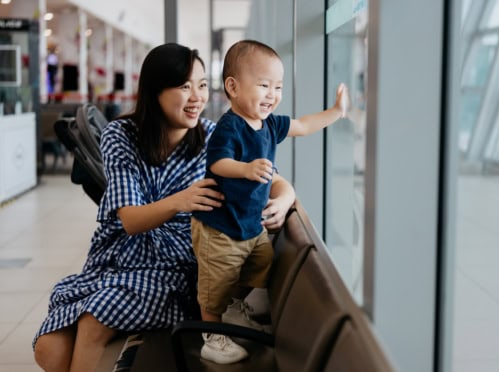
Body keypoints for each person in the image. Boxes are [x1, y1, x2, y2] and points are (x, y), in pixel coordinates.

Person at [32, 42, 295, 372]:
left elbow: (275, 181)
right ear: (155, 90)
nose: (197, 97)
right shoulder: (121, 135)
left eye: (201, 84)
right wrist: (181, 200)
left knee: (93, 320)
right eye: (185, 86)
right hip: (122, 253)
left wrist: (285, 199)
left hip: (178, 262)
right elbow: (129, 220)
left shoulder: (216, 137)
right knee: (48, 349)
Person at [191, 39, 350, 364]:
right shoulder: (229, 126)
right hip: (219, 229)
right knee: (216, 283)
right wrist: (246, 169)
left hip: (249, 225)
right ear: (233, 87)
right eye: (264, 85)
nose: (272, 95)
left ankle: (235, 310)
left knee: (257, 266)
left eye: (277, 87)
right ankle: (212, 334)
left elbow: (304, 125)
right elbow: (218, 164)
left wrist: (335, 113)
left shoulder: (271, 124)